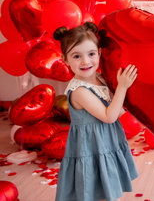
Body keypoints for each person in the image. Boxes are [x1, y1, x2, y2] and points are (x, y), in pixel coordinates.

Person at [53, 22, 138, 201]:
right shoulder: (80, 91)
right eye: (76, 56)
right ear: (65, 59)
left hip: (105, 141)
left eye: (91, 54)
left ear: (99, 53)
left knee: (106, 185)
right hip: (90, 146)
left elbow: (114, 107)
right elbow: (109, 116)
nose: (85, 61)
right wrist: (122, 87)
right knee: (93, 187)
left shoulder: (99, 78)